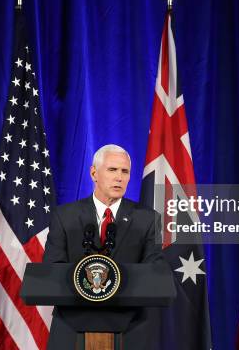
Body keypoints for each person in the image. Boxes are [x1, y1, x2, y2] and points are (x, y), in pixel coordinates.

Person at [43, 144, 166, 349]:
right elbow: (53, 268)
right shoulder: (65, 216)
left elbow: (153, 273)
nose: (119, 177)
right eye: (112, 169)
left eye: (124, 171)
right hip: (72, 328)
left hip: (130, 328)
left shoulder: (148, 220)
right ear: (94, 173)